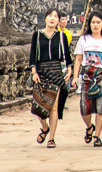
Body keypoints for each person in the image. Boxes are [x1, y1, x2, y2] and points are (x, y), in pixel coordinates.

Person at [71, 10, 102, 147]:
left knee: (100, 107)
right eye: (93, 22)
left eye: (98, 22)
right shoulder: (84, 39)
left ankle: (97, 135)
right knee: (84, 108)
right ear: (89, 24)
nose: (95, 25)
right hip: (87, 75)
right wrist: (75, 76)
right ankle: (89, 127)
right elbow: (78, 59)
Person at [30, 9, 71, 148]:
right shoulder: (37, 35)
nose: (52, 18)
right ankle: (45, 127)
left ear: (58, 21)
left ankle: (52, 138)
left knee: (53, 107)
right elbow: (33, 55)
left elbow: (67, 55)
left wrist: (70, 70)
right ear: (45, 19)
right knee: (38, 106)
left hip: (55, 71)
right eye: (50, 16)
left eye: (55, 17)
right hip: (41, 71)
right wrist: (34, 71)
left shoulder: (61, 36)